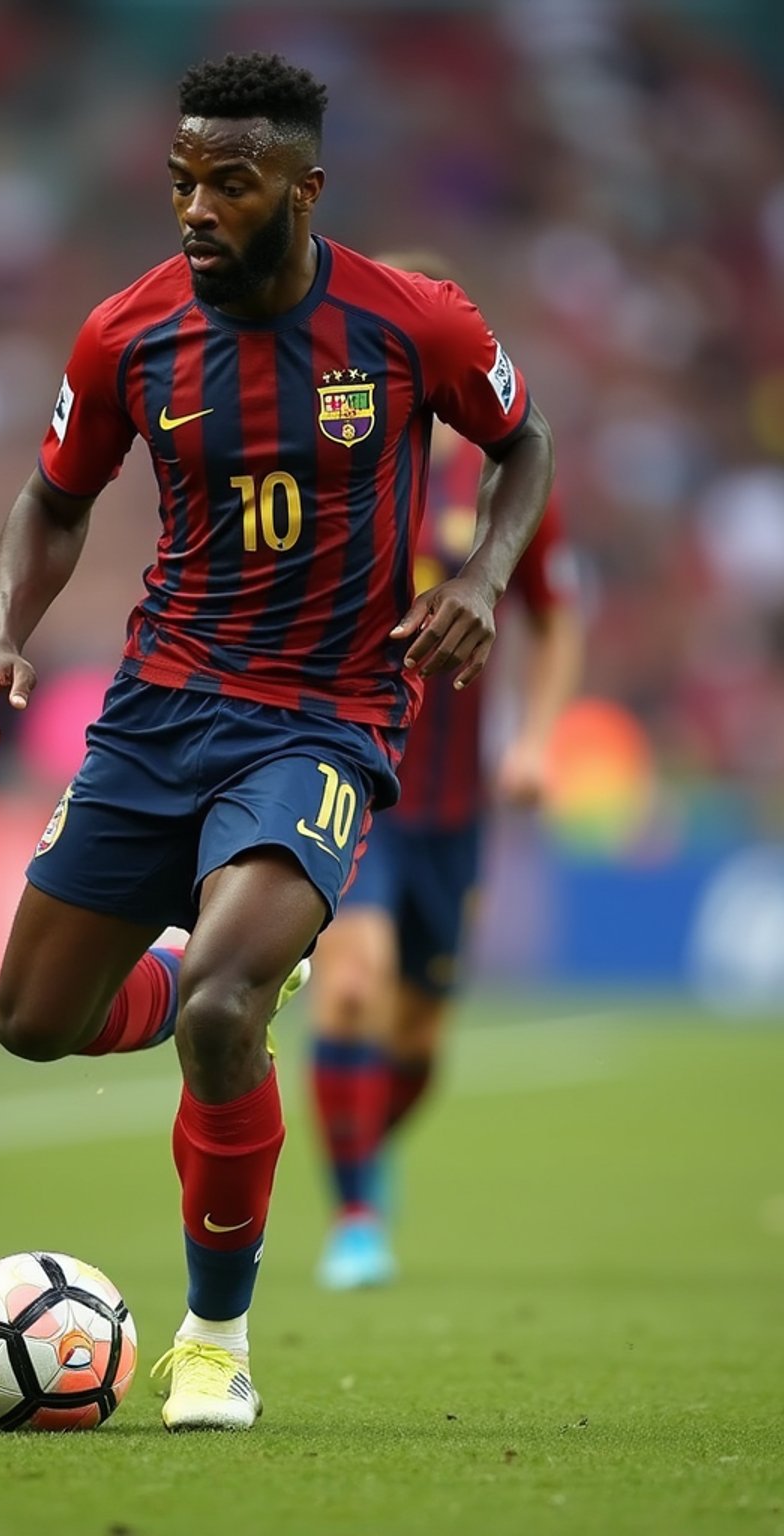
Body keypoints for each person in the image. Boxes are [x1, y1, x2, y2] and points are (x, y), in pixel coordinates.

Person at [0, 54, 554, 1432]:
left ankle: (214, 1345)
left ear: (302, 187)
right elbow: (53, 503)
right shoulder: (128, 334)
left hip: (325, 723)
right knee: (30, 1024)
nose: (197, 210)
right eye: (180, 183)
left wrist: (478, 582)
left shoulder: (416, 324)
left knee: (233, 1014)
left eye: (230, 183)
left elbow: (524, 448)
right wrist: (2, 633)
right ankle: (187, 970)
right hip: (158, 711)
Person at [309, 250, 582, 1291]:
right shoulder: (335, 461)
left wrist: (537, 736)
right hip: (353, 770)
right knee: (353, 986)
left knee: (419, 1029)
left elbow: (556, 618)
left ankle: (364, 1151)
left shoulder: (507, 473)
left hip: (456, 802)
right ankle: (356, 1217)